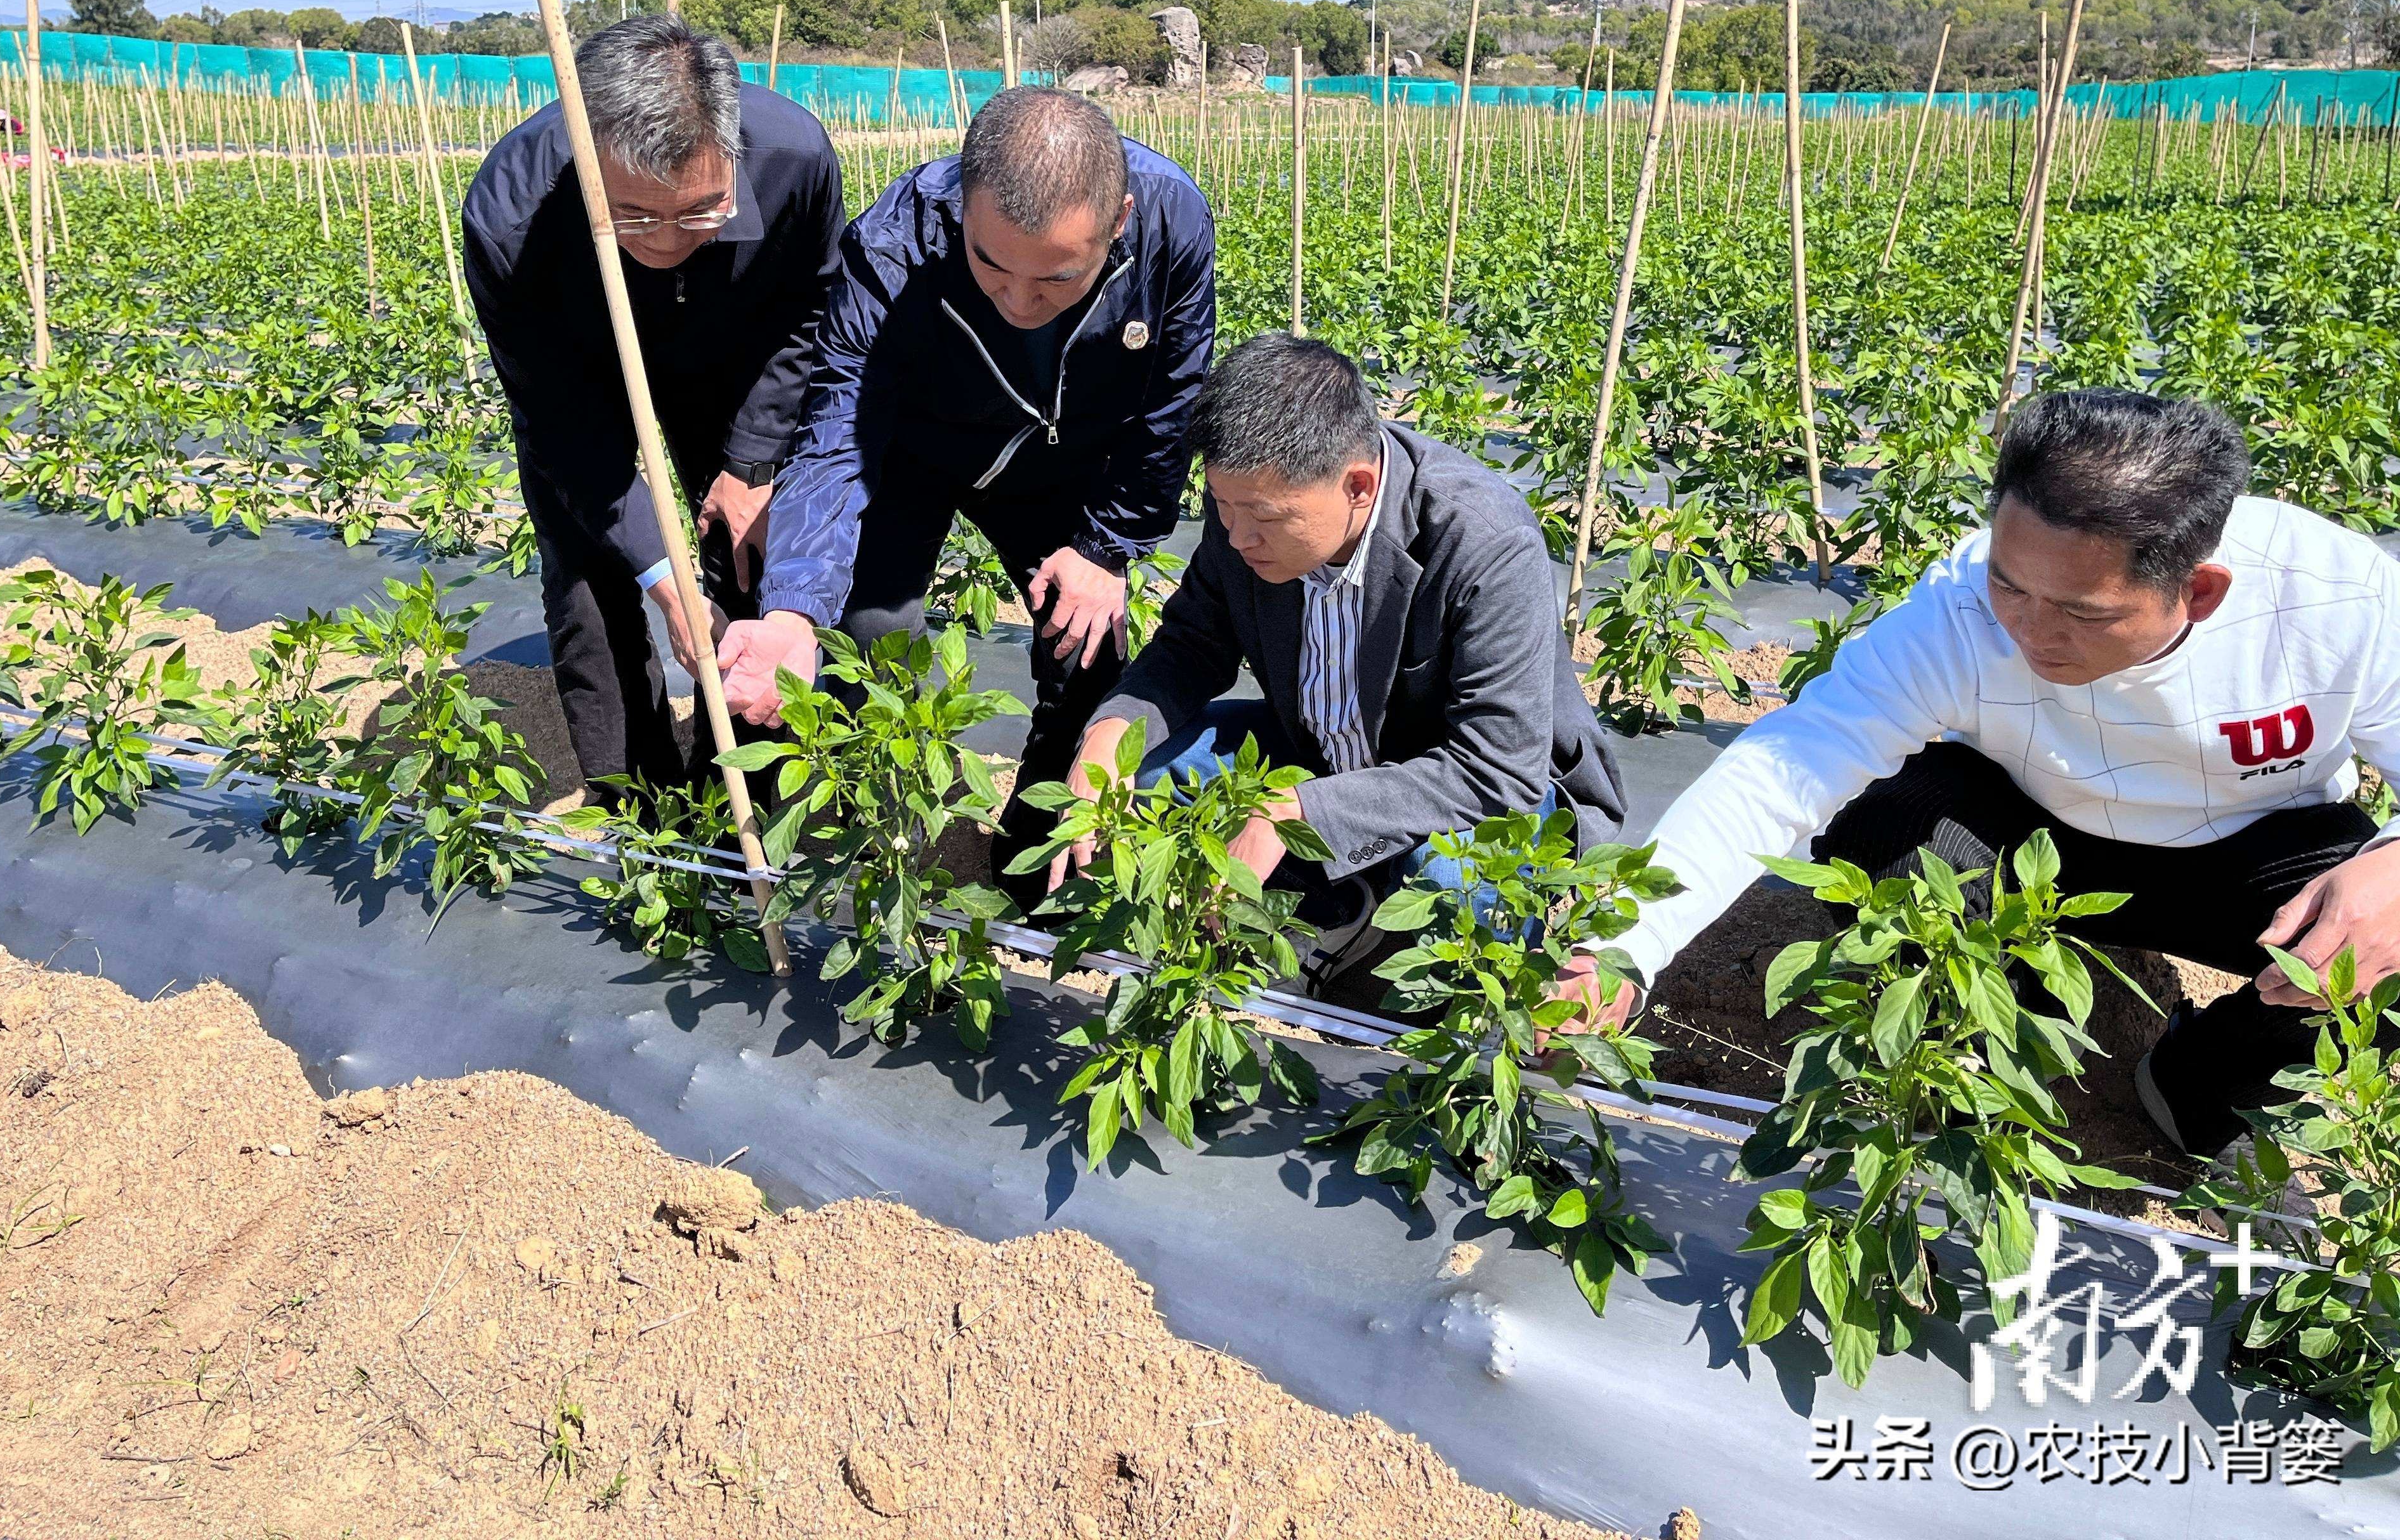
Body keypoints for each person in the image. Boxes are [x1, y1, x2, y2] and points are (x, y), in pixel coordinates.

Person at [1577, 389, 2400, 1157]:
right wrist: (1622, 946)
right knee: (1880, 830)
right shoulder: (1965, 603)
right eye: (2011, 584)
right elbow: (1791, 764)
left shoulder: (2338, 602)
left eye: (2085, 612)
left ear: (2201, 592)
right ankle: (1973, 1062)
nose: (2030, 632)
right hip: (2024, 831)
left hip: (2244, 852)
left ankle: (2195, 1089)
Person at [715, 86, 1216, 889]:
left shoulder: (1170, 224)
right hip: (916, 447)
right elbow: (842, 422)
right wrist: (793, 607)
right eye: (990, 265)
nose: (1020, 301)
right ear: (960, 212)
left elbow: (1171, 401)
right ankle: (831, 840)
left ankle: (1036, 861)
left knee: (1085, 651)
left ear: (1117, 223)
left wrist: (1109, 548)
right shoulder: (894, 241)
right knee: (870, 637)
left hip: (1059, 454)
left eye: (1056, 278)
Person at [1060, 333, 1625, 1006]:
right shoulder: (1244, 510)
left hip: (1464, 791)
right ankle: (1317, 912)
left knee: (1453, 881)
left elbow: (1497, 768)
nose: (1237, 538)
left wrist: (1298, 811)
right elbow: (1190, 648)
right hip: (1318, 753)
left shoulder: (1482, 539)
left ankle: (1395, 977)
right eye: (1221, 507)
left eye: (1263, 518)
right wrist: (1108, 739)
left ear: (1358, 486)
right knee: (1147, 767)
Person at [463, 16, 844, 792]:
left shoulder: (794, 160)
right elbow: (565, 429)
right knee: (590, 575)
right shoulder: (511, 216)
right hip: (584, 362)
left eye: (701, 210)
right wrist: (665, 579)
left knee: (749, 549)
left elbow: (812, 309)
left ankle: (733, 800)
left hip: (729, 351)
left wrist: (751, 460)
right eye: (634, 215)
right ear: (590, 154)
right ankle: (636, 803)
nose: (667, 239)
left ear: (732, 156)